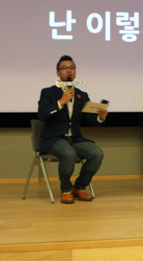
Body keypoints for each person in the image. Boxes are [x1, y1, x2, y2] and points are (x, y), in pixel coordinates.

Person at [37, 55, 108, 204]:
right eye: (64, 68)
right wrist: (60, 102)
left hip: (75, 138)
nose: (69, 71)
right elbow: (42, 114)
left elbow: (88, 120)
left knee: (97, 153)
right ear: (58, 73)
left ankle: (79, 187)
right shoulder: (48, 92)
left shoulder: (82, 95)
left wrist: (100, 117)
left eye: (72, 68)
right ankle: (66, 190)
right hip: (53, 138)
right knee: (69, 153)